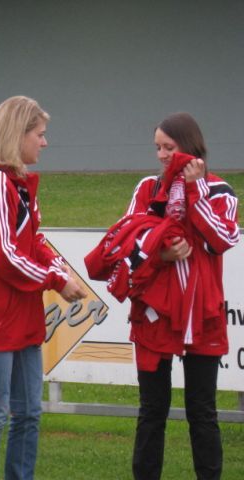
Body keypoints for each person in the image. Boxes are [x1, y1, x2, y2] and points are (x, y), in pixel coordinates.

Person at [85, 112, 239, 479]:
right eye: (157, 147)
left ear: (189, 146)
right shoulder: (146, 188)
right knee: (152, 410)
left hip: (203, 316)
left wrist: (195, 191)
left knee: (202, 411)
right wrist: (161, 255)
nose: (162, 155)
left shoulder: (220, 190)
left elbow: (221, 240)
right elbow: (126, 242)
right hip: (153, 316)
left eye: (169, 147)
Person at [0, 96, 87, 480]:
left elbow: (34, 241)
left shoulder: (20, 183)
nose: (44, 142)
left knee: (29, 412)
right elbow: (4, 255)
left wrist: (60, 269)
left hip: (22, 314)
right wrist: (56, 280)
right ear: (18, 134)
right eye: (39, 134)